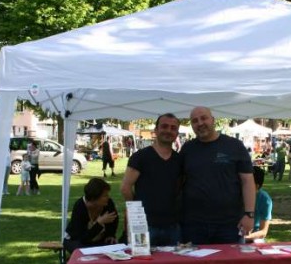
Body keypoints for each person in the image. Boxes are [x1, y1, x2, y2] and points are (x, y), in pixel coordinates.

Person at [180, 106, 255, 244]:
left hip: (230, 224)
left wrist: (249, 214)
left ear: (213, 120)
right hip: (194, 225)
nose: (200, 123)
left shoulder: (234, 146)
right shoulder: (187, 149)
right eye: (195, 121)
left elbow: (248, 181)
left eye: (204, 118)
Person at [121, 113, 182, 246]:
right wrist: (134, 212)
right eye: (164, 126)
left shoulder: (179, 160)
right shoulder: (140, 157)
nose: (168, 130)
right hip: (144, 226)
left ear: (177, 133)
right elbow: (125, 187)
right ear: (156, 130)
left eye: (173, 128)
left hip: (173, 226)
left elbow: (178, 189)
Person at [63, 177, 119, 254]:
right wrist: (99, 223)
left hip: (98, 240)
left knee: (115, 250)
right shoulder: (80, 207)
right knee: (83, 252)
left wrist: (110, 235)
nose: (108, 197)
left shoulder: (108, 203)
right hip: (75, 240)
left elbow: (114, 221)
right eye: (105, 195)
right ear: (94, 198)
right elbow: (83, 238)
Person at [244, 166, 272, 242]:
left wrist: (245, 238)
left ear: (256, 186)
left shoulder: (264, 199)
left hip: (253, 235)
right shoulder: (235, 194)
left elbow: (263, 232)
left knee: (257, 242)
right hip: (232, 233)